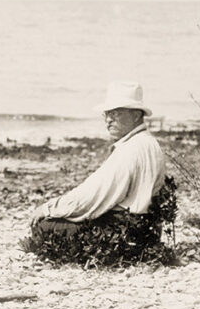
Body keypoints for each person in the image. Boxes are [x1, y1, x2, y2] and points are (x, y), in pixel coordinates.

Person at [25, 81, 166, 248]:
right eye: (106, 114)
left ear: (136, 115)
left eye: (116, 113)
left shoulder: (130, 149)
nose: (108, 120)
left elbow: (91, 198)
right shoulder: (148, 142)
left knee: (44, 227)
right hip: (148, 230)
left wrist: (48, 208)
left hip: (127, 231)